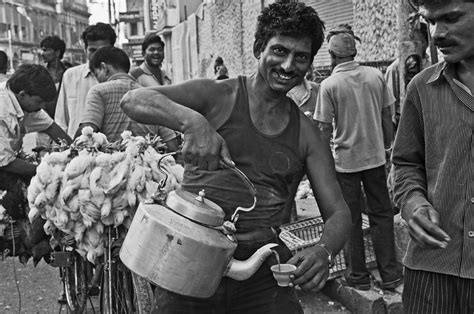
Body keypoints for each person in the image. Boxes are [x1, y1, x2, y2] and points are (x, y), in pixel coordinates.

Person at [121, 2, 351, 313]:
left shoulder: (307, 134)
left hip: (262, 271)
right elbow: (134, 99)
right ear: (259, 48)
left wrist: (324, 251)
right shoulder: (218, 96)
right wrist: (193, 122)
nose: (288, 66)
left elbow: (338, 211)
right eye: (280, 51)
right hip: (188, 260)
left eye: (301, 57)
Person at [392, 0, 474, 313]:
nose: (438, 33)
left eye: (452, 18)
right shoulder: (421, 88)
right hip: (430, 270)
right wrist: (413, 203)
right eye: (431, 21)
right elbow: (405, 163)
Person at [313, 31, 402, 291]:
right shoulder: (376, 76)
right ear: (354, 52)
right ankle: (390, 276)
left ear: (332, 55)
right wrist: (386, 146)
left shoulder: (329, 85)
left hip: (346, 164)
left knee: (350, 218)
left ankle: (358, 276)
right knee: (382, 215)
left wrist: (324, 165)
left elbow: (322, 130)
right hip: (375, 159)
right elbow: (388, 115)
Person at [0, 64, 71, 220]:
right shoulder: (2, 109)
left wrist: (75, 152)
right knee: (12, 208)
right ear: (23, 94)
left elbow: (52, 128)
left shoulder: (25, 102)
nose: (42, 107)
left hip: (7, 161)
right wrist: (45, 170)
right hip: (3, 164)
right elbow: (5, 162)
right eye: (39, 102)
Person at [76, 46, 178, 152]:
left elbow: (87, 132)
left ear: (104, 68)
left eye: (97, 74)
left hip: (110, 165)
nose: (98, 80)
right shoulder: (151, 95)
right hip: (148, 165)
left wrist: (70, 149)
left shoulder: (98, 91)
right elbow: (172, 145)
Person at [55, 23, 117, 138]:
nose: (97, 55)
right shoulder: (70, 76)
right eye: (92, 50)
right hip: (78, 149)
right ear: (85, 49)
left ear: (112, 49)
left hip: (112, 149)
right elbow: (61, 120)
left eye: (102, 50)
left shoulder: (120, 78)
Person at [384, 23, 431, 132]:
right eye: (411, 42)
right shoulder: (395, 69)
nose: (414, 46)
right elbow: (390, 103)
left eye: (419, 42)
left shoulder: (432, 65)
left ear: (426, 43)